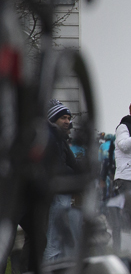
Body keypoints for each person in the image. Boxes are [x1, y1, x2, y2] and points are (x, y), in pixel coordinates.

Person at [44, 100, 78, 261]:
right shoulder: (50, 138)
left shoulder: (60, 139)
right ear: (53, 119)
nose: (67, 121)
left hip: (63, 194)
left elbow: (73, 165)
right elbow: (57, 168)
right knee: (54, 241)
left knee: (58, 240)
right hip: (56, 194)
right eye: (63, 118)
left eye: (68, 118)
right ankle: (49, 273)